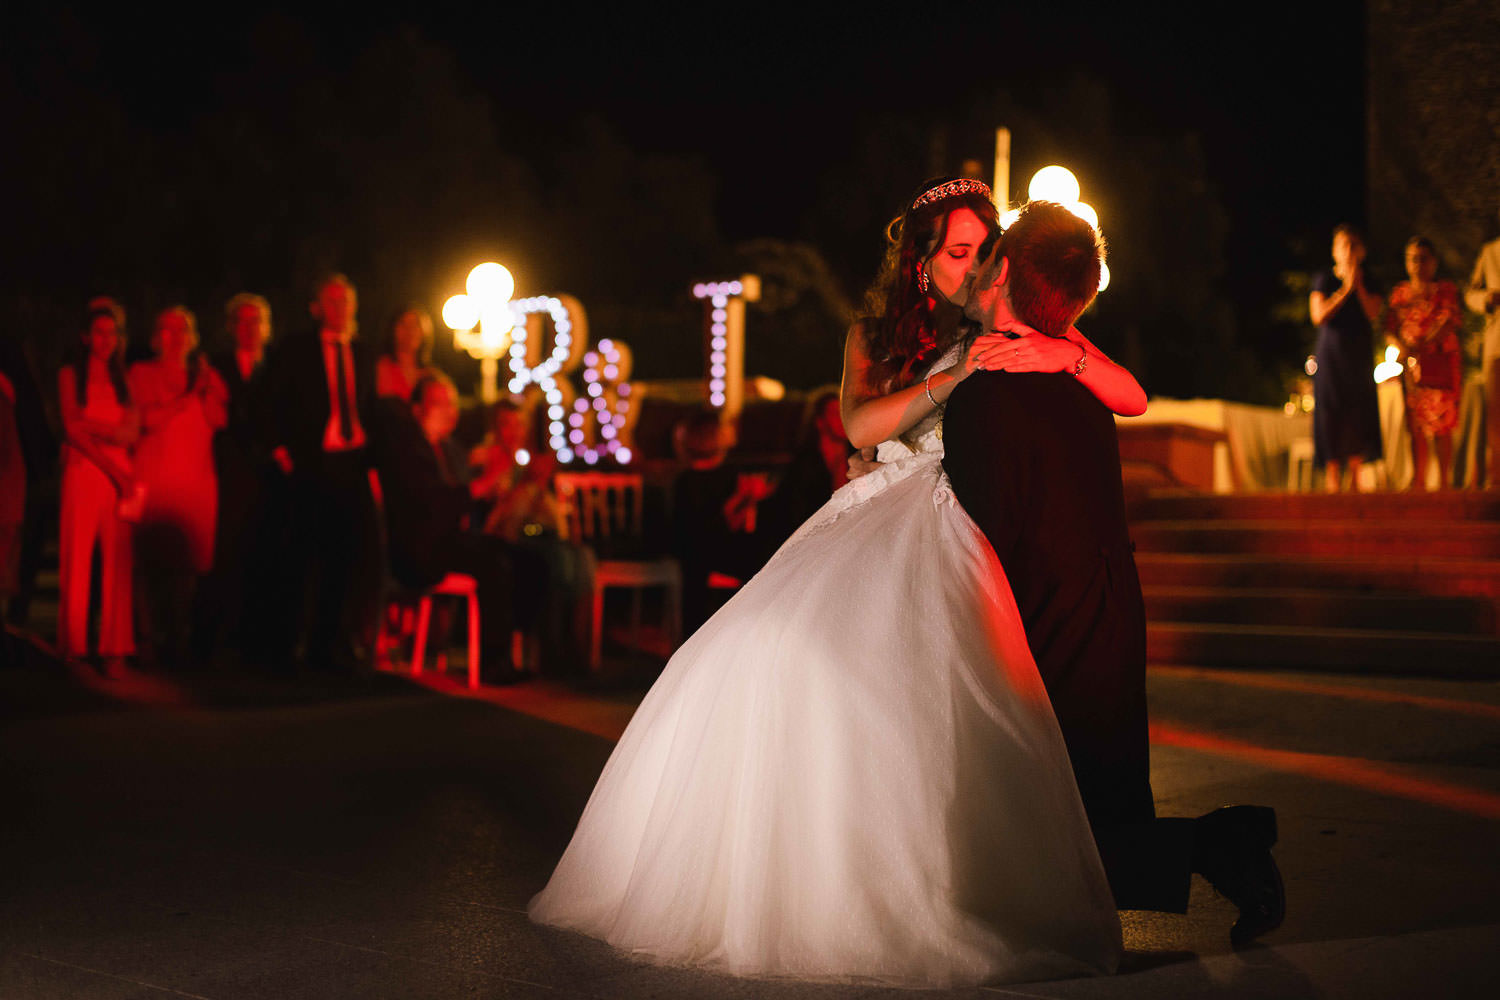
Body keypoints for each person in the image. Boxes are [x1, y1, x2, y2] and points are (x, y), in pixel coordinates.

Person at [528, 178, 1147, 987]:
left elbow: (1129, 394)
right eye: (958, 251)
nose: (976, 266)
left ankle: (902, 880)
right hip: (873, 505)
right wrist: (946, 383)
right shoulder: (877, 337)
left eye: (986, 250)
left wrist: (1063, 350)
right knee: (745, 647)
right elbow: (858, 426)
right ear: (922, 262)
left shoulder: (1011, 326)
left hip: (942, 516)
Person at [943, 200, 1284, 948]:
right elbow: (1128, 398)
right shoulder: (1074, 363)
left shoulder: (990, 385)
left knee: (1056, 815)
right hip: (1107, 602)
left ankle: (1224, 847)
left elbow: (981, 534)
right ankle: (1224, 851)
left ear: (1000, 269)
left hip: (1045, 611)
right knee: (1097, 804)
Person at [261, 273, 382, 671]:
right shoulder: (297, 349)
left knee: (349, 557)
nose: (340, 309)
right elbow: (271, 401)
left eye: (346, 301)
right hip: (313, 462)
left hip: (353, 462)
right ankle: (285, 645)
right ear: (316, 308)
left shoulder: (364, 353)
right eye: (332, 302)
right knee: (300, 557)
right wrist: (282, 453)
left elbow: (370, 409)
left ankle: (331, 645)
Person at [373, 373, 528, 681]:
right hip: (419, 549)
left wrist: (496, 492)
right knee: (492, 562)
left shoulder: (451, 450)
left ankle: (523, 652)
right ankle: (492, 663)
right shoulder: (408, 450)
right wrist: (481, 486)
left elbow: (466, 505)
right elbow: (433, 506)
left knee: (520, 557)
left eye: (452, 404)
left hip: (449, 541)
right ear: (417, 410)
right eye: (439, 403)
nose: (449, 411)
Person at [128, 306, 228, 666]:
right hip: (154, 478)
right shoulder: (141, 373)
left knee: (187, 567)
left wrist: (204, 389)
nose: (175, 336)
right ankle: (146, 639)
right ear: (156, 337)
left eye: (182, 329)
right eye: (167, 329)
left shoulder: (207, 376)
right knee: (148, 563)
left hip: (195, 481)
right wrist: (188, 394)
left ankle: (178, 638)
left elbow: (218, 419)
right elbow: (148, 420)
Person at [56, 301, 139, 674]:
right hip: (85, 473)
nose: (106, 340)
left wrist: (92, 427)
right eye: (100, 333)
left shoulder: (126, 378)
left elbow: (129, 431)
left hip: (119, 474)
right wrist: (110, 460)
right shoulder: (70, 375)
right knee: (77, 558)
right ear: (87, 337)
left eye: (113, 333)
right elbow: (71, 429)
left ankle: (114, 647)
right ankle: (73, 646)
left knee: (117, 564)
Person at [201, 293, 277, 659]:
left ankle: (257, 637)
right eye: (242, 322)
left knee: (263, 553)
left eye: (256, 322)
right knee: (225, 552)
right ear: (231, 328)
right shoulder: (215, 365)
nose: (249, 329)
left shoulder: (277, 366)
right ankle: (215, 637)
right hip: (230, 471)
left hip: (268, 475)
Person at [1309, 224, 1384, 492]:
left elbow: (1373, 312)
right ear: (1334, 251)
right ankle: (1332, 477)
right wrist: (1344, 289)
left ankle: (1355, 476)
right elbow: (1318, 315)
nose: (1349, 250)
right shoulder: (1324, 280)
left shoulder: (1371, 280)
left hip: (1359, 356)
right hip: (1331, 357)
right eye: (1343, 245)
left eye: (1354, 244)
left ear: (1362, 250)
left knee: (1358, 409)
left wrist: (1358, 286)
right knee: (1331, 410)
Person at [1386, 237, 1462, 489]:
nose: (1418, 264)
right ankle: (1418, 479)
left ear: (1434, 262)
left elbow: (1448, 321)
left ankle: (1443, 481)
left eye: (1423, 258)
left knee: (1442, 423)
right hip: (1411, 368)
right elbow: (1389, 328)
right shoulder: (1399, 294)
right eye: (1413, 259)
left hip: (1439, 362)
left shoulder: (1445, 291)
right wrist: (1402, 348)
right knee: (1414, 424)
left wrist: (1421, 346)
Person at [1464, 217, 1500, 488]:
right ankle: (1495, 475)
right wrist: (1486, 299)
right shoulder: (1491, 252)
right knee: (1495, 413)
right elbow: (1471, 293)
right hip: (1497, 343)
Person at [375, 305, 439, 402]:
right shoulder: (381, 367)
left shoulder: (430, 375)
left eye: (415, 324)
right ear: (393, 329)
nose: (410, 330)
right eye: (404, 324)